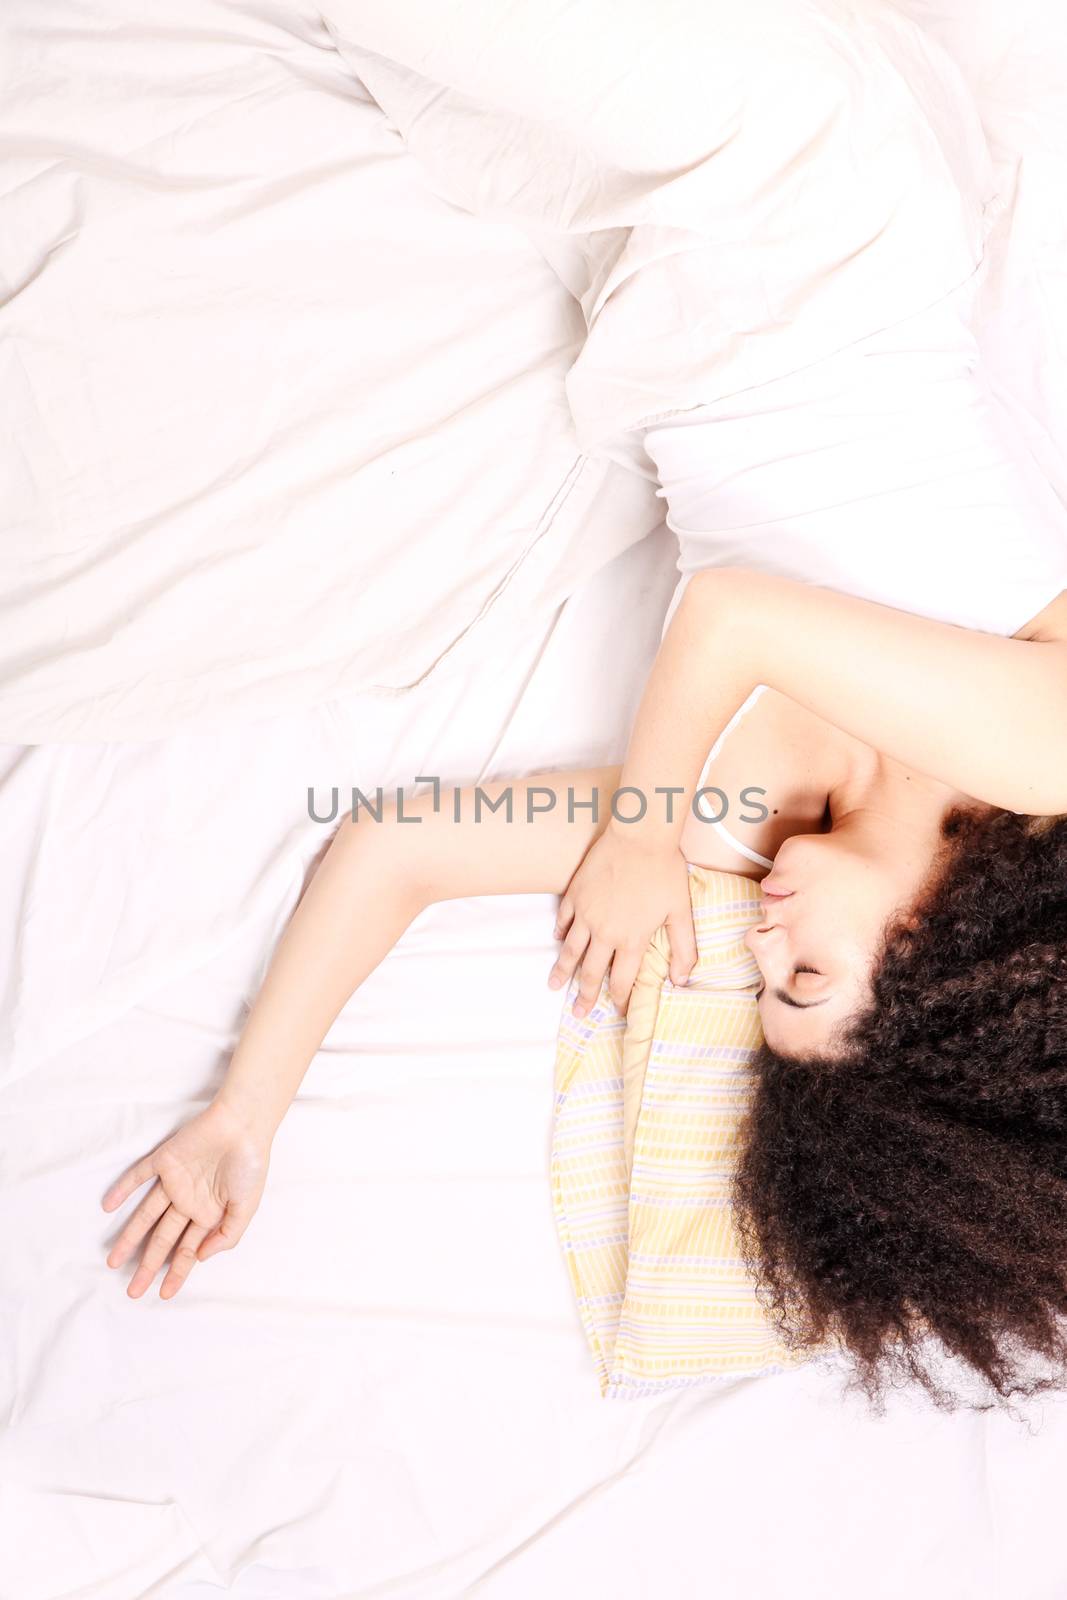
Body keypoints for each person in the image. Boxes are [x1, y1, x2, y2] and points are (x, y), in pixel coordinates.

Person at [100, 564, 1067, 1405]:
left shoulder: (729, 821)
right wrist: (640, 840)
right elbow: (733, 615)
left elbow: (398, 847)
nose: (761, 945)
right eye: (803, 976)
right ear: (935, 957)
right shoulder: (1042, 757)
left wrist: (243, 1118)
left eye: (761, 986)